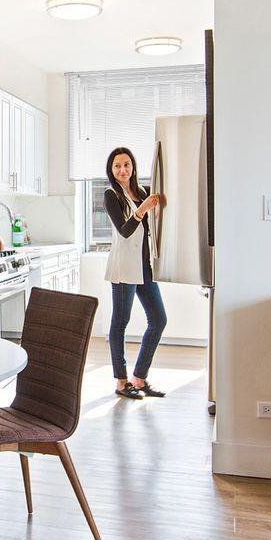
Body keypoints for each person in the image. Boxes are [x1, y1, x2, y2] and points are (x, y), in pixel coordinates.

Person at [103, 147, 169, 400]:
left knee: (158, 319)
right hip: (124, 267)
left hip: (144, 266)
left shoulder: (141, 191)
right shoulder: (111, 195)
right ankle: (121, 382)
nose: (123, 170)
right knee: (120, 323)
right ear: (111, 170)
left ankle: (139, 378)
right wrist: (142, 210)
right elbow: (124, 230)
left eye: (126, 164)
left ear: (133, 167)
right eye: (117, 166)